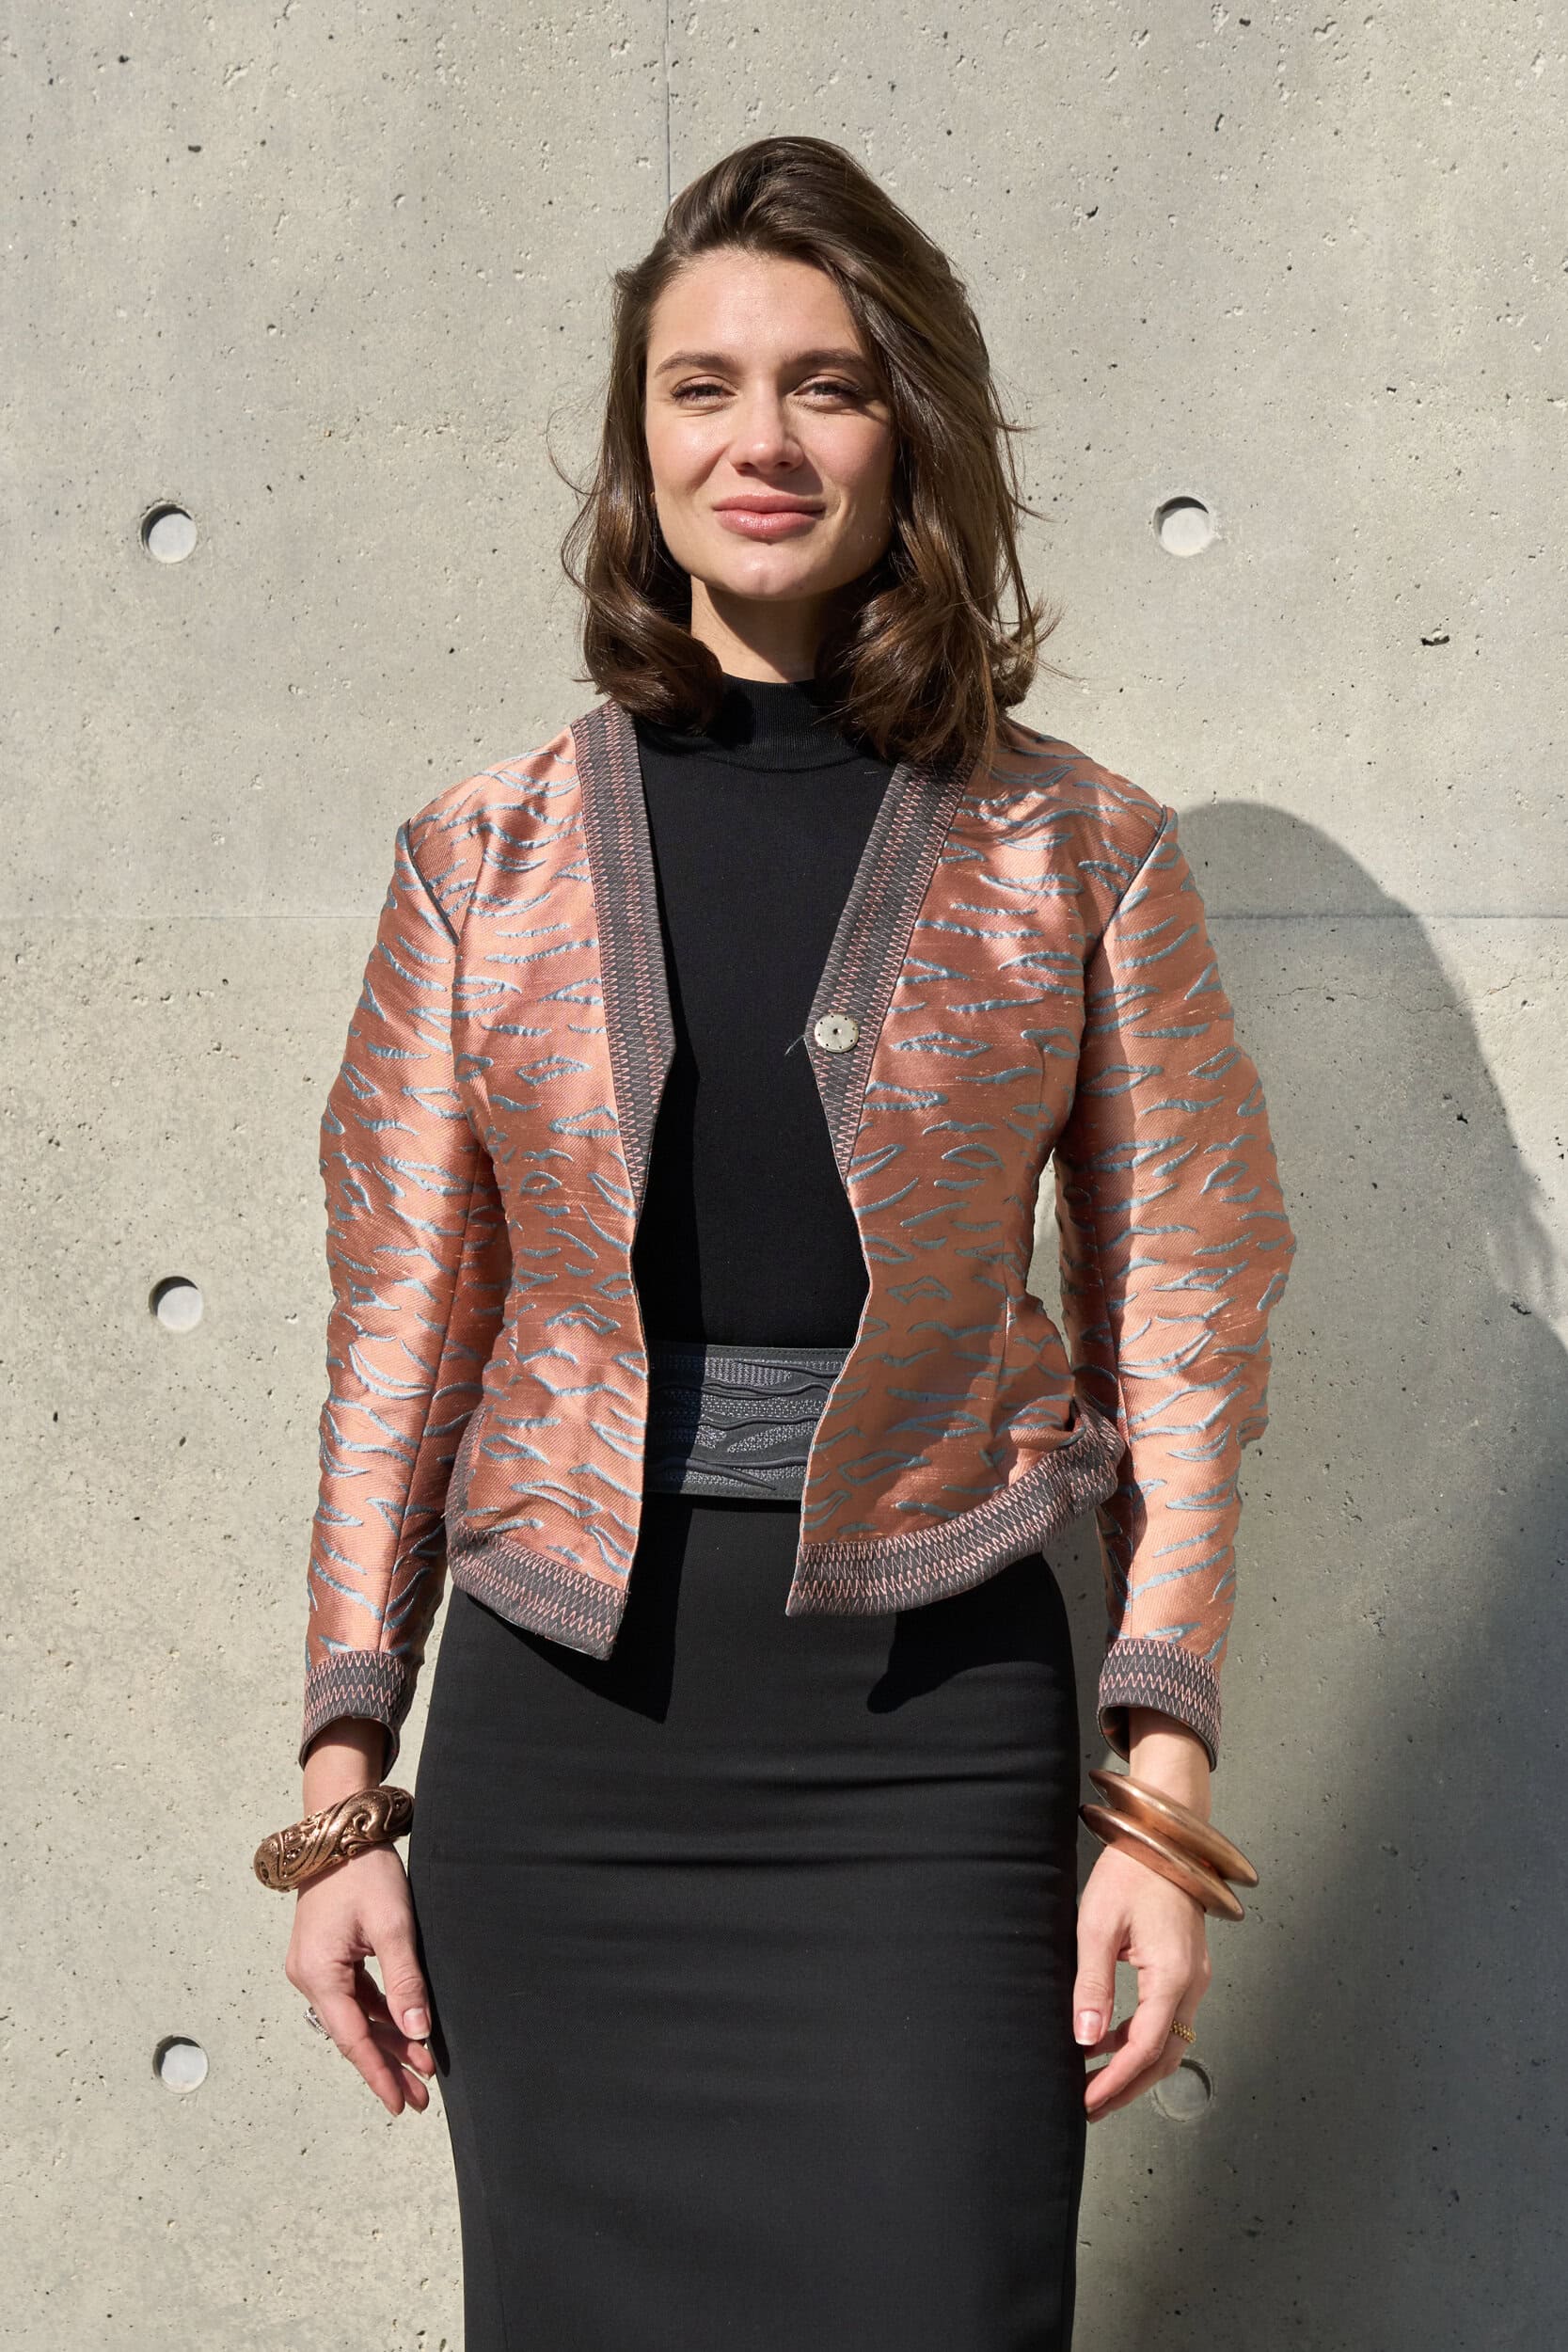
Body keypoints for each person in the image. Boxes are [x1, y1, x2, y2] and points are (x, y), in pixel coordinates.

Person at [265, 135, 1296, 2351]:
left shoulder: (1080, 850)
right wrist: (346, 1786)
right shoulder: (480, 856)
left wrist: (1160, 1791)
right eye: (701, 386)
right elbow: (398, 1340)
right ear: (637, 443)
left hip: (930, 1741)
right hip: (562, 1747)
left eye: (827, 384)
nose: (763, 439)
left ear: (908, 428)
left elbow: (1186, 1327)